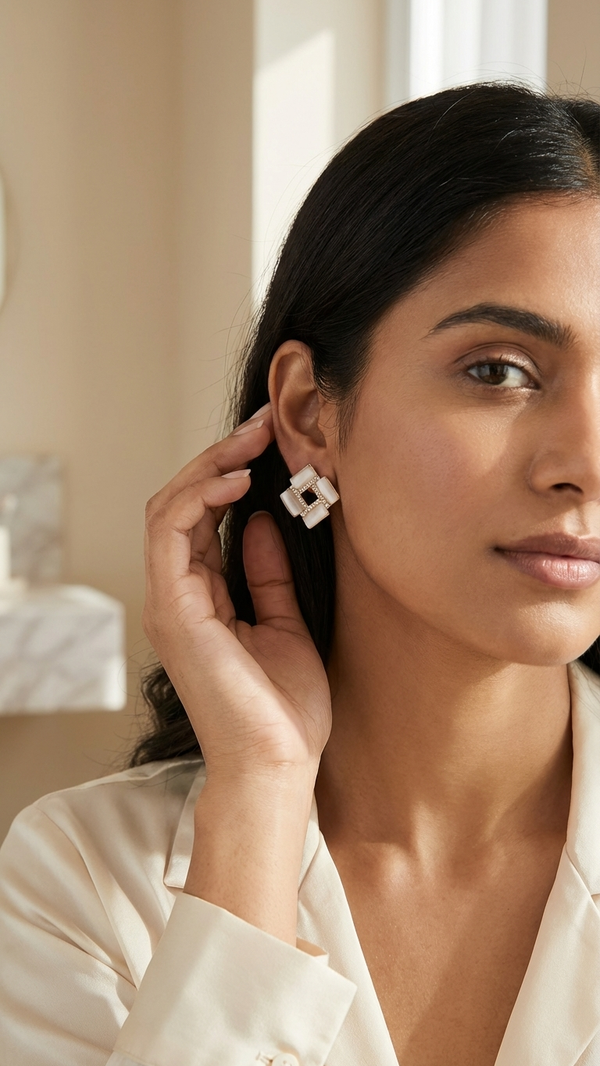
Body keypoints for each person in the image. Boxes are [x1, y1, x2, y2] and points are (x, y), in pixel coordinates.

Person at [1, 81, 600, 1066]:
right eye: (497, 370)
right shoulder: (84, 878)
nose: (586, 458)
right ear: (311, 413)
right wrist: (259, 802)